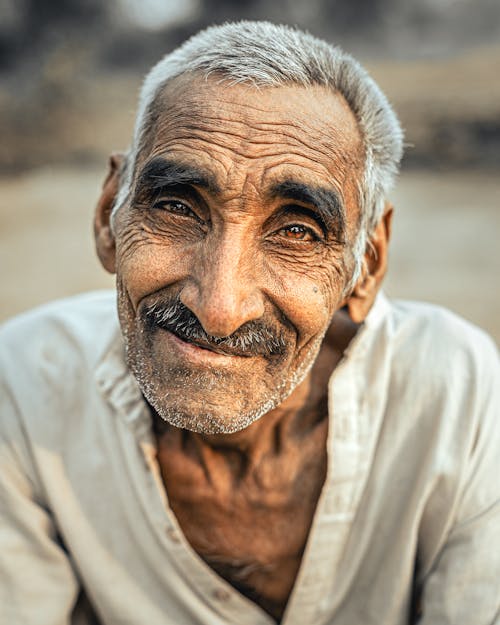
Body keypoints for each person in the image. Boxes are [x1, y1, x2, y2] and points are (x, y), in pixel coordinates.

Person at [0, 20, 498, 625]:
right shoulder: (25, 387)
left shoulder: (459, 398)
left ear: (365, 267)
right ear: (109, 215)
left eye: (296, 231)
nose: (219, 306)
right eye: (178, 206)